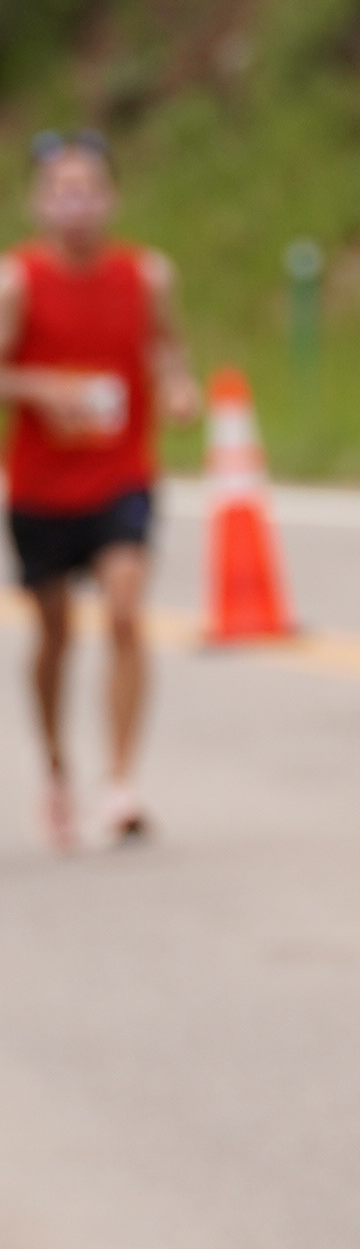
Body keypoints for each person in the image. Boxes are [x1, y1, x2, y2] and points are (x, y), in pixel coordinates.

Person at [2, 133, 196, 852]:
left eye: (87, 189)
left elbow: (167, 344)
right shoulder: (17, 282)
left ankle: (121, 782)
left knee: (123, 610)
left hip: (121, 472)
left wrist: (178, 386)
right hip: (41, 485)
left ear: (110, 199)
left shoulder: (146, 275)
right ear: (38, 203)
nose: (75, 204)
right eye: (61, 191)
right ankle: (57, 771)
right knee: (54, 632)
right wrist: (41, 390)